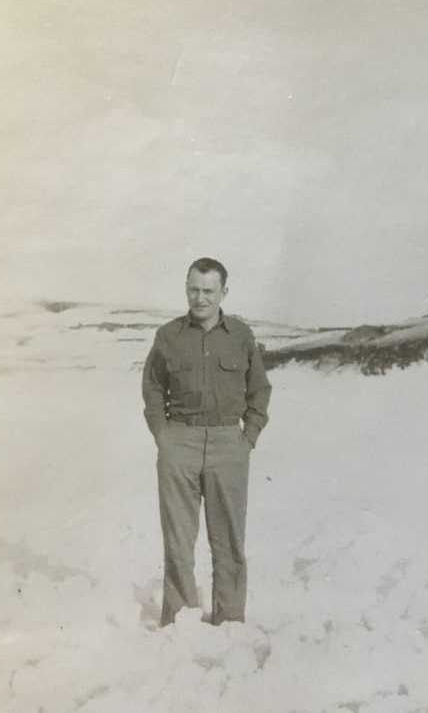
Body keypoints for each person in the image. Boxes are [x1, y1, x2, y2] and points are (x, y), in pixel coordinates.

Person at [142, 257, 272, 626]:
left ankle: (229, 622)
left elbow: (259, 389)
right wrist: (163, 436)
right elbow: (152, 388)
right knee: (179, 541)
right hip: (179, 442)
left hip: (228, 443)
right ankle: (181, 622)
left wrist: (248, 436)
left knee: (228, 541)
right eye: (193, 290)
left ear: (223, 293)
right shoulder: (169, 335)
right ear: (186, 289)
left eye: (208, 291)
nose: (200, 298)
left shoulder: (241, 336)